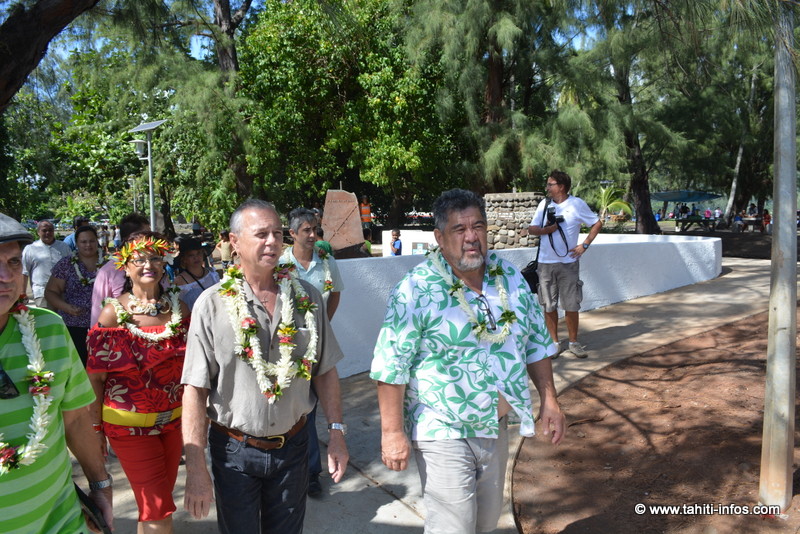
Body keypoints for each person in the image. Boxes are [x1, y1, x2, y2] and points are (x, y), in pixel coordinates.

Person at [371, 189, 565, 534]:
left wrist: (550, 400)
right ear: (439, 237)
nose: (471, 237)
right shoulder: (416, 289)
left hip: (496, 427)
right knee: (454, 527)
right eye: (459, 229)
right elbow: (391, 365)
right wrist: (392, 433)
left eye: (478, 226)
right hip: (442, 429)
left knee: (485, 524)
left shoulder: (509, 278)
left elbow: (536, 342)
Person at [181, 199, 349, 534]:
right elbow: (195, 390)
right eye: (261, 234)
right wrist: (196, 468)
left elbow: (326, 371)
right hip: (234, 451)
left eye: (277, 233)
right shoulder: (211, 304)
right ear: (235, 242)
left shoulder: (308, 298)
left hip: (293, 448)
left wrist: (336, 433)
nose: (272, 241)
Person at [0, 212, 114, 534]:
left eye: (12, 262)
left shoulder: (47, 329)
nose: (5, 276)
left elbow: (75, 418)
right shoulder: (67, 266)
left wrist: (100, 484)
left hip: (61, 519)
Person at [86, 232, 190, 534]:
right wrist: (95, 431)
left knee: (156, 506)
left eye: (155, 258)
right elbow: (95, 379)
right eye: (139, 259)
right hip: (129, 428)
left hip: (173, 424)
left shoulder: (179, 309)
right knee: (158, 508)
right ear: (125, 267)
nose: (148, 265)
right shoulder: (113, 314)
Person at [281, 207, 346, 497]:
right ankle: (290, 467)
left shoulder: (327, 262)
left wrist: (323, 325)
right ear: (292, 233)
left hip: (317, 347)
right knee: (291, 408)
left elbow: (336, 294)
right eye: (306, 230)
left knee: (311, 408)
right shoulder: (280, 264)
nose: (312, 235)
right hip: (286, 348)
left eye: (315, 230)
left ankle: (310, 473)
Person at [528, 170, 602, 359]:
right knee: (548, 305)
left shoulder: (577, 204)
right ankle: (554, 343)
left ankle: (573, 343)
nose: (547, 187)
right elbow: (532, 229)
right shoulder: (544, 204)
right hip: (545, 263)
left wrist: (584, 245)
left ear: (561, 186)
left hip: (568, 264)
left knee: (571, 304)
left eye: (550, 184)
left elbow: (596, 223)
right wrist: (547, 229)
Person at [44, 225, 104, 365]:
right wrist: (67, 308)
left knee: (101, 365)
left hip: (103, 324)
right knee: (78, 364)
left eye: (92, 241)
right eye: (83, 242)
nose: (88, 245)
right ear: (76, 243)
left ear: (97, 241)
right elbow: (50, 292)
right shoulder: (66, 264)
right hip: (74, 324)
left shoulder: (108, 263)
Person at [90, 213, 150, 327]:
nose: (152, 240)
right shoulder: (108, 272)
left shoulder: (156, 268)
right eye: (147, 236)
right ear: (130, 239)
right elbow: (97, 314)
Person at [22, 220, 72, 309]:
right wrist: (22, 293)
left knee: (63, 318)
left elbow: (72, 268)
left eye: (50, 230)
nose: (47, 233)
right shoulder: (30, 249)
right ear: (38, 232)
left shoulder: (64, 247)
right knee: (46, 317)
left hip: (63, 293)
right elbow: (24, 272)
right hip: (41, 293)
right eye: (44, 230)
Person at [176, 237, 220, 311]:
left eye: (199, 253)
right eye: (191, 255)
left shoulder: (212, 274)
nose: (196, 257)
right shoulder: (180, 281)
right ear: (184, 259)